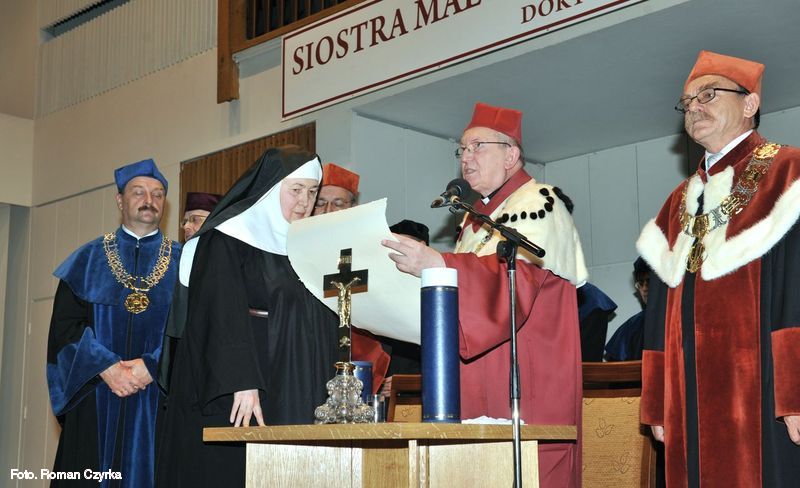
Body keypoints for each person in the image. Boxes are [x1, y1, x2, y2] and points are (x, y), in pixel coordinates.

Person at [383, 102, 587, 487]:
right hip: (478, 372)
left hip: (526, 378)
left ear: (511, 155)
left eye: (478, 146)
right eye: (462, 149)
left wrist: (438, 263)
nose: (466, 157)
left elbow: (511, 290)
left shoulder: (539, 202)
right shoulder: (476, 218)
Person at [636, 50, 800, 487]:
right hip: (686, 399)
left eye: (708, 95)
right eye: (687, 102)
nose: (694, 107)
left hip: (763, 393)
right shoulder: (678, 201)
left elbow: (797, 290)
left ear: (750, 104)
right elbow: (658, 315)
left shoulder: (788, 173)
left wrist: (795, 393)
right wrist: (657, 402)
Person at [155, 146, 339, 488]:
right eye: (296, 190)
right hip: (239, 382)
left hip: (288, 378)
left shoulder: (307, 245)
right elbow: (218, 312)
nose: (305, 202)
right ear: (270, 189)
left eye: (312, 191)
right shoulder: (226, 239)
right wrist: (240, 380)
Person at [46, 159, 180, 488]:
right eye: (138, 192)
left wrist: (153, 365)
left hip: (159, 400)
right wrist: (106, 367)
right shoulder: (87, 259)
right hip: (96, 396)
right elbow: (64, 331)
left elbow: (194, 331)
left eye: (157, 194)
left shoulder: (185, 264)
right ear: (120, 200)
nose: (149, 200)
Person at [604, 257, 650, 361]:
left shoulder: (677, 321)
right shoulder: (632, 326)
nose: (644, 288)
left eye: (649, 281)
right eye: (640, 283)